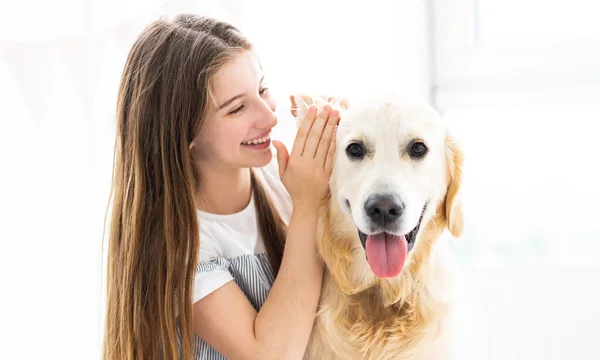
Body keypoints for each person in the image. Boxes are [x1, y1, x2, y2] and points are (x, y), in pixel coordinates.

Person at [102, 13, 341, 360]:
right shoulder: (181, 242)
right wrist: (308, 205)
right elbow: (271, 354)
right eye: (238, 108)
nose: (270, 117)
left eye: (262, 90)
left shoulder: (283, 179)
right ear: (186, 136)